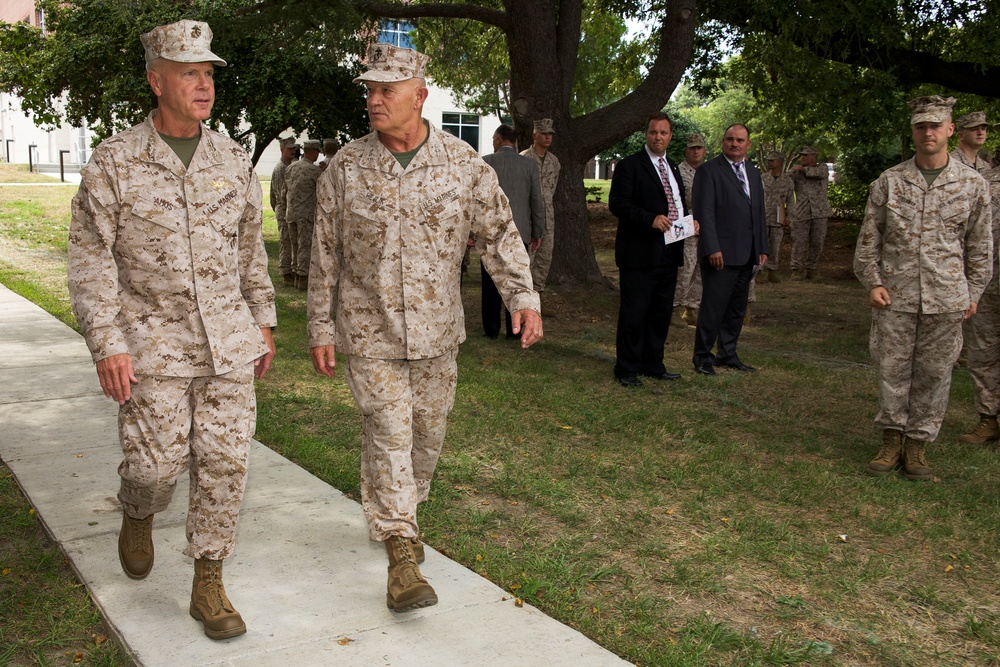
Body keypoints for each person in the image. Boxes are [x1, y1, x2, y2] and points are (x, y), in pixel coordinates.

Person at [307, 44, 542, 612]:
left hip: (438, 334)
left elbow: (500, 234)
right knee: (389, 432)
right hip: (369, 332)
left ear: (420, 94)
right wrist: (320, 325)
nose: (375, 99)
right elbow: (325, 254)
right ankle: (402, 552)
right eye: (370, 89)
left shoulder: (462, 163)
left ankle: (399, 514)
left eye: (388, 89)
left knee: (426, 442)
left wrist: (523, 298)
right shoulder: (346, 167)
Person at [67, 19, 276, 640]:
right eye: (190, 73)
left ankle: (208, 582)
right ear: (157, 80)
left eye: (209, 73)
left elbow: (248, 250)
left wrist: (262, 318)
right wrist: (107, 342)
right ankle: (138, 509)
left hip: (228, 346)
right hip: (152, 345)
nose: (204, 84)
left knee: (224, 464)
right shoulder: (116, 161)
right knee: (156, 468)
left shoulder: (233, 159)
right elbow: (88, 257)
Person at [855, 95, 992, 480]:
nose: (928, 132)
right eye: (921, 126)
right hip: (894, 295)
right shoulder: (890, 182)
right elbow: (869, 239)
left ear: (950, 130)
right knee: (891, 368)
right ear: (913, 131)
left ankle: (917, 447)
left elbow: (981, 248)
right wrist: (874, 282)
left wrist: (974, 292)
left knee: (935, 373)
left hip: (947, 296)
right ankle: (890, 441)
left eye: (936, 126)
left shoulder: (972, 185)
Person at [608, 112, 689, 387]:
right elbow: (617, 203)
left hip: (669, 251)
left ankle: (652, 363)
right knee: (635, 313)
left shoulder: (673, 167)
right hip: (639, 253)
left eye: (664, 133)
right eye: (654, 132)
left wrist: (690, 222)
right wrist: (650, 218)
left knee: (660, 312)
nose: (659, 137)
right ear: (647, 134)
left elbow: (677, 202)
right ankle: (627, 369)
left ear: (670, 136)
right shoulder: (631, 166)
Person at [691, 123, 768, 376]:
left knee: (737, 308)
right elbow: (705, 212)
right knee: (713, 307)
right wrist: (712, 247)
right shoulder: (709, 171)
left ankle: (728, 354)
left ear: (748, 144)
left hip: (747, 253)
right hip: (720, 253)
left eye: (740, 140)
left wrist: (762, 246)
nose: (734, 144)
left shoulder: (753, 173)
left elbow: (758, 212)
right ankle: (703, 357)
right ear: (723, 142)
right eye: (730, 139)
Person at [481, 124, 545, 338]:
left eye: (493, 138)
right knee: (518, 278)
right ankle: (515, 329)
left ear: (499, 139)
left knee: (491, 280)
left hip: (490, 231)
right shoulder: (529, 165)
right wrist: (537, 231)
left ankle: (491, 328)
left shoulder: (486, 162)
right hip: (520, 232)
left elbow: (477, 202)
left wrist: (473, 234)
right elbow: (537, 201)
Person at [521, 118, 561, 291]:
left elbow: (552, 190)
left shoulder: (554, 161)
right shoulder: (523, 158)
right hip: (527, 219)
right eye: (544, 134)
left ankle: (536, 298)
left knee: (544, 261)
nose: (548, 137)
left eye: (550, 134)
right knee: (526, 261)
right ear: (534, 135)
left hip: (548, 219)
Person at [673, 133, 706, 327]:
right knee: (685, 268)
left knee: (702, 269)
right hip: (684, 225)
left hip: (708, 227)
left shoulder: (709, 171)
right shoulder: (678, 172)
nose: (696, 151)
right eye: (692, 148)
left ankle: (691, 308)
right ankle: (674, 307)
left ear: (704, 150)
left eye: (699, 148)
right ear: (686, 150)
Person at [788, 146, 832, 280]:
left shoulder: (822, 168)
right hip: (801, 212)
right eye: (802, 156)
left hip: (820, 212)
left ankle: (811, 268)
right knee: (799, 242)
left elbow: (819, 173)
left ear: (814, 157)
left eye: (806, 156)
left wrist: (804, 169)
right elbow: (787, 180)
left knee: (817, 242)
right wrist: (792, 171)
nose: (803, 158)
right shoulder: (798, 172)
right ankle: (796, 269)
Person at [284, 139, 322, 290]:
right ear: (312, 151)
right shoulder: (314, 171)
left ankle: (293, 276)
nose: (318, 155)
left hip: (291, 212)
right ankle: (303, 280)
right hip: (306, 214)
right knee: (305, 246)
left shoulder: (291, 168)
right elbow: (324, 191)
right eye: (317, 151)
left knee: (294, 245)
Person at [760, 150, 794, 282]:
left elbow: (791, 200)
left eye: (772, 160)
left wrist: (789, 217)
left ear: (779, 162)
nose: (769, 162)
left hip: (777, 218)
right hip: (762, 216)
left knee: (775, 245)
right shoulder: (763, 178)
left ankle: (772, 270)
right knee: (760, 244)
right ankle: (759, 271)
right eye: (768, 160)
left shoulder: (787, 180)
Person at [271, 136, 300, 286]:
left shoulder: (290, 166)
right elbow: (279, 193)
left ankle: (293, 270)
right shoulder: (281, 168)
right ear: (282, 149)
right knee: (286, 242)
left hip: (289, 210)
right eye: (290, 149)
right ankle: (286, 273)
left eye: (294, 148)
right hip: (284, 210)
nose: (293, 151)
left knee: (293, 242)